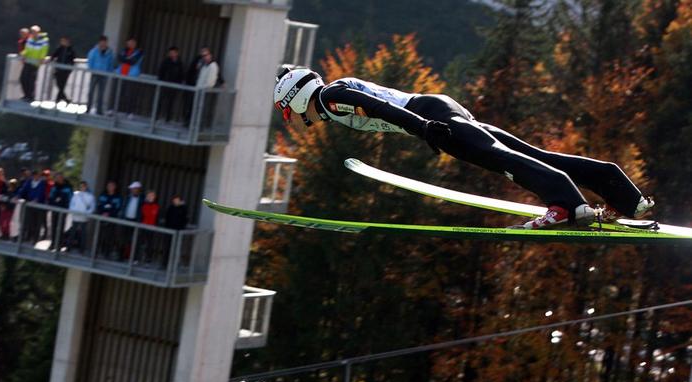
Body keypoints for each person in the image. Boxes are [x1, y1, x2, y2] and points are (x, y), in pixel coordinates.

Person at [272, 69, 655, 229]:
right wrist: (423, 126)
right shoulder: (332, 98)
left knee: (497, 157)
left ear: (297, 98)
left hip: (430, 114)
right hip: (433, 110)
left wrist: (424, 128)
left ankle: (568, 206)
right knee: (529, 154)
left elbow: (381, 108)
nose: (292, 119)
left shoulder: (332, 96)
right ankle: (623, 194)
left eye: (288, 111)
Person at [20, 25, 50, 102]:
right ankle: (26, 95)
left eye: (35, 32)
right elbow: (27, 49)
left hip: (35, 63)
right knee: (23, 78)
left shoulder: (44, 40)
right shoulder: (30, 39)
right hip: (28, 61)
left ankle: (31, 97)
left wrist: (42, 58)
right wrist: (23, 54)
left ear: (38, 32)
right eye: (32, 32)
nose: (33, 33)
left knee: (31, 80)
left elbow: (44, 50)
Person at [86, 35, 114, 115]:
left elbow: (111, 63)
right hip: (95, 73)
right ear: (99, 42)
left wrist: (109, 71)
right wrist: (91, 70)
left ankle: (99, 110)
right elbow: (90, 61)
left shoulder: (109, 52)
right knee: (91, 92)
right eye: (102, 42)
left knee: (101, 93)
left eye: (105, 42)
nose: (103, 44)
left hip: (104, 74)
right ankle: (88, 108)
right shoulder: (94, 51)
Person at [116, 37, 144, 115]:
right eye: (129, 42)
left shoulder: (139, 52)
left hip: (132, 75)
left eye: (133, 43)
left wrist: (125, 59)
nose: (131, 44)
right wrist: (127, 59)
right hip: (121, 74)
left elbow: (133, 61)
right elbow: (119, 58)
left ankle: (130, 112)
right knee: (119, 92)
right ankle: (117, 110)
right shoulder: (123, 51)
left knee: (130, 94)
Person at [96, 180, 122, 258]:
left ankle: (106, 253)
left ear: (115, 187)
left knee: (109, 237)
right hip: (102, 219)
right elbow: (99, 205)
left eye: (112, 186)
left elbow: (118, 208)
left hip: (112, 220)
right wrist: (102, 213)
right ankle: (97, 252)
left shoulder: (118, 197)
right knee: (100, 236)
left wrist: (109, 214)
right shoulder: (102, 195)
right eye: (109, 186)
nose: (110, 187)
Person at [157, 46, 184, 121]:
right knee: (160, 101)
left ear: (177, 53)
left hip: (174, 86)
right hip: (164, 84)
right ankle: (157, 116)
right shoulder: (166, 61)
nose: (171, 54)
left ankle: (168, 118)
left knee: (171, 102)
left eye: (173, 53)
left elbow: (181, 74)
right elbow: (161, 72)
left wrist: (179, 83)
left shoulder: (179, 63)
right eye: (170, 53)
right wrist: (161, 81)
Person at [68, 181, 95, 253]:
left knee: (83, 234)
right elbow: (71, 204)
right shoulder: (75, 194)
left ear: (86, 187)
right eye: (81, 186)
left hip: (84, 218)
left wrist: (86, 213)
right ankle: (68, 248)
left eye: (83, 186)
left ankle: (82, 249)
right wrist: (73, 211)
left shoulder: (90, 196)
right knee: (72, 233)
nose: (82, 188)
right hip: (75, 217)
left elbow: (92, 207)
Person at [20, 169, 47, 242]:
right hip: (30, 205)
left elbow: (41, 193)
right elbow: (23, 190)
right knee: (29, 222)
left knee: (37, 223)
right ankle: (27, 237)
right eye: (34, 175)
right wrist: (18, 196)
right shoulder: (29, 182)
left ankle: (35, 239)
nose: (35, 177)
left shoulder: (42, 183)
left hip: (39, 206)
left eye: (37, 175)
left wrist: (37, 199)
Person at [48, 173, 73, 249]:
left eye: (59, 177)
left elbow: (70, 198)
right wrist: (53, 202)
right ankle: (53, 243)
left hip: (63, 210)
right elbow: (51, 196)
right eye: (56, 178)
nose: (58, 179)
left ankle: (59, 244)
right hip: (54, 209)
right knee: (53, 227)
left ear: (62, 178)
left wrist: (64, 203)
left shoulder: (68, 187)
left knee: (61, 227)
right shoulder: (54, 186)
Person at [120, 181, 144, 259]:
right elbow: (123, 207)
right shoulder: (127, 197)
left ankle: (133, 257)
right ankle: (122, 255)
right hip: (126, 220)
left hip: (136, 221)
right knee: (123, 238)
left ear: (138, 189)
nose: (133, 190)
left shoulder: (142, 199)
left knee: (134, 240)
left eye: (134, 189)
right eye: (132, 189)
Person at [51, 36, 77, 103]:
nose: (62, 42)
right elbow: (53, 55)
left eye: (63, 41)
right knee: (58, 84)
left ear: (67, 41)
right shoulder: (59, 48)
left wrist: (70, 69)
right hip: (58, 69)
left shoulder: (71, 50)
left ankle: (58, 99)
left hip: (66, 71)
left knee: (62, 85)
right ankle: (65, 99)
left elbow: (73, 60)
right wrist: (51, 60)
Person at [138, 190, 160, 263]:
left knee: (150, 243)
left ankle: (148, 258)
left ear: (155, 197)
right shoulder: (143, 205)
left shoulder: (157, 206)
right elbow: (140, 216)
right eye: (149, 195)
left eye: (152, 195)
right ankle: (137, 258)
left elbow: (157, 217)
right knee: (140, 242)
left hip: (151, 227)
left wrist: (155, 226)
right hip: (143, 226)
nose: (150, 197)